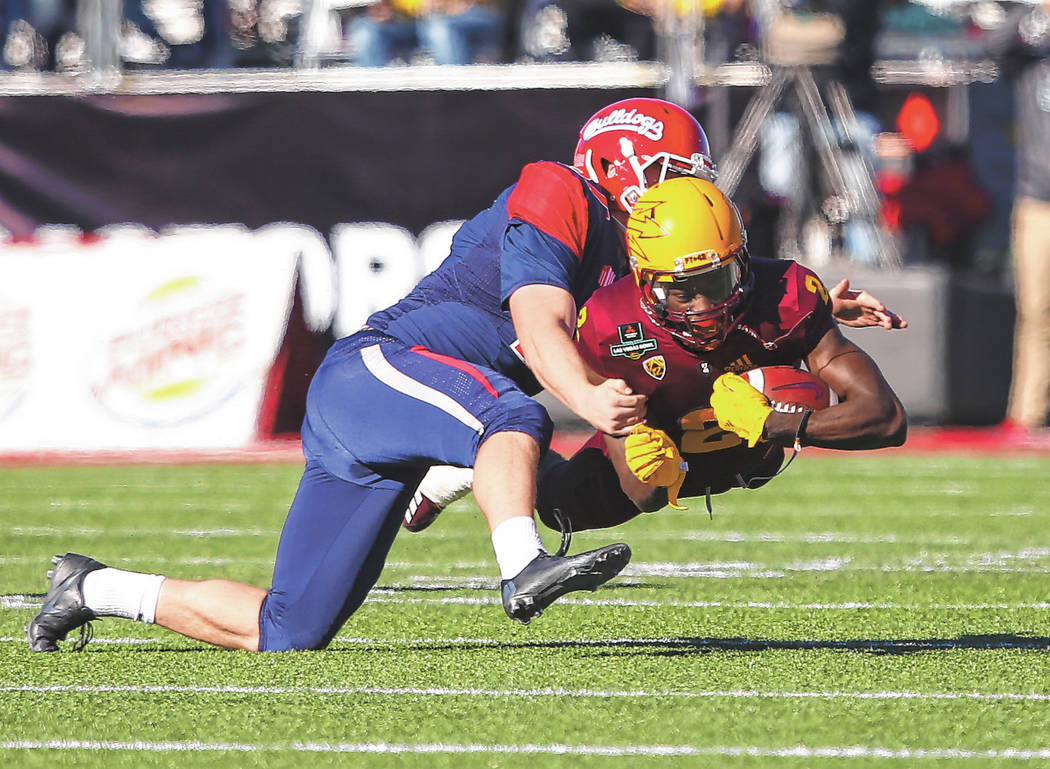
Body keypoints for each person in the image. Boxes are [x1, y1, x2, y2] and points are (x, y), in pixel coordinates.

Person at [27, 97, 719, 653]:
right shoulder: (559, 190)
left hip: (404, 408)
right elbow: (540, 329)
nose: (688, 190)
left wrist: (797, 331)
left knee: (288, 629)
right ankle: (521, 563)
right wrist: (594, 396)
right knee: (514, 416)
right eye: (675, 172)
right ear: (622, 164)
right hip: (376, 371)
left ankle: (94, 589)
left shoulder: (638, 258)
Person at [406, 177, 907, 534]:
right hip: (662, 429)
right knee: (565, 511)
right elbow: (641, 491)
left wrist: (777, 424)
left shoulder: (790, 296)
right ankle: (477, 468)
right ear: (644, 282)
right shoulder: (606, 322)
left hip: (755, 450)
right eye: (681, 292)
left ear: (745, 262)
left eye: (718, 282)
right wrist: (648, 468)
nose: (705, 307)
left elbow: (885, 419)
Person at [983, 2, 1050, 435]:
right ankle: (1027, 416)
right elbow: (993, 46)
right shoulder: (1034, 50)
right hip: (1040, 199)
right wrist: (1037, 12)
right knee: (1036, 310)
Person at [347, 0, 504, 66]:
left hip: (467, 17)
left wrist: (447, 5)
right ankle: (375, 102)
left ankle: (455, 99)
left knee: (438, 29)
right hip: (409, 24)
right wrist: (382, 11)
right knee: (364, 30)